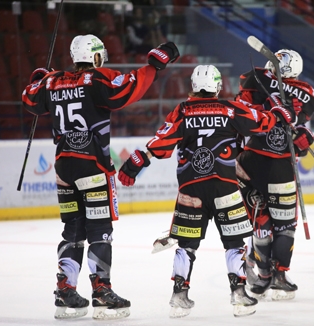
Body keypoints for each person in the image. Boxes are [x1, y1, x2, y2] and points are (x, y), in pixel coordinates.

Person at [116, 65, 297, 318]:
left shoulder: (182, 110)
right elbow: (261, 123)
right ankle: (239, 294)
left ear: (193, 85)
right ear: (217, 86)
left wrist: (139, 159)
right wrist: (279, 113)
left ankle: (179, 296)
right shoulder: (228, 109)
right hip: (225, 187)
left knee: (187, 246)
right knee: (234, 243)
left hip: (192, 189)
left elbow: (162, 141)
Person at [21, 34, 179, 320]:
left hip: (64, 170)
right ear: (94, 57)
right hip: (93, 168)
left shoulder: (53, 82)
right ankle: (102, 292)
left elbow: (29, 100)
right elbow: (127, 90)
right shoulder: (96, 79)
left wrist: (38, 78)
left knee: (72, 231)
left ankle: (65, 289)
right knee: (100, 231)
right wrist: (154, 66)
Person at [234, 49, 314, 301]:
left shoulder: (263, 80)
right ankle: (265, 272)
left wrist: (304, 137)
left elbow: (301, 127)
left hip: (271, 165)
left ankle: (274, 273)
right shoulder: (257, 80)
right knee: (269, 225)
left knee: (278, 225)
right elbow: (241, 112)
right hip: (258, 165)